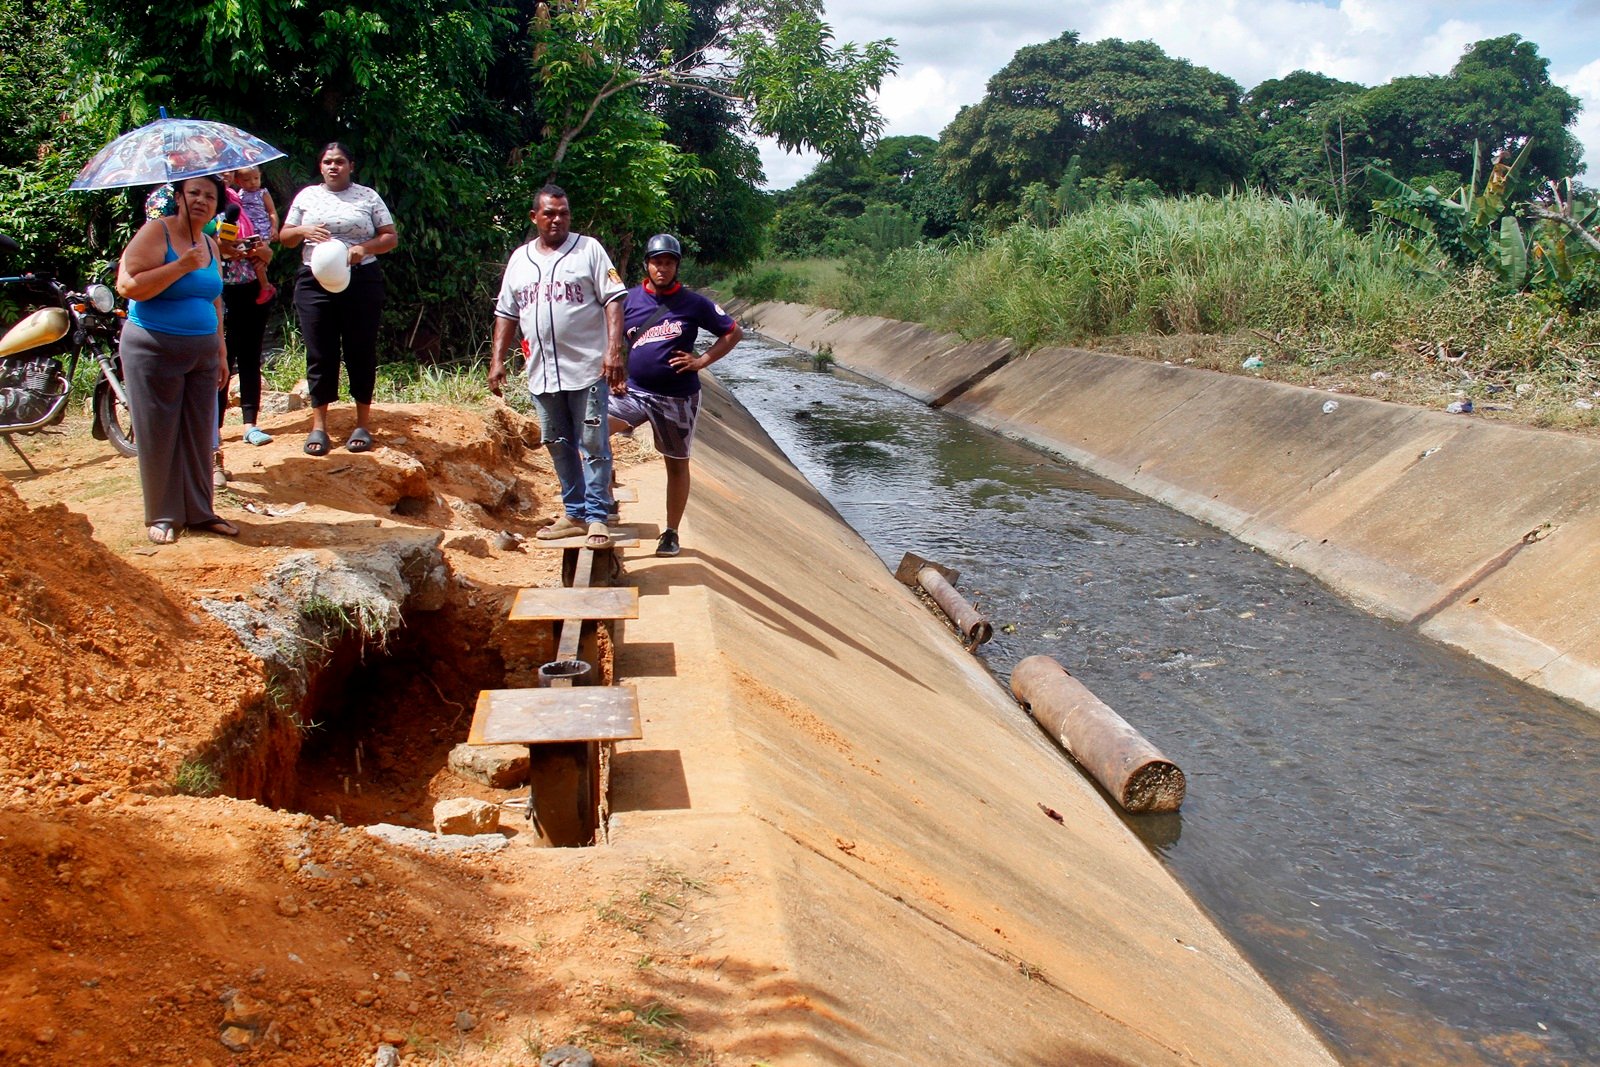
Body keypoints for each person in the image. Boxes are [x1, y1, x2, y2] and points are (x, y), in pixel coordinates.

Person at [488, 185, 626, 548]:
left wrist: (614, 351)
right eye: (549, 213)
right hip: (542, 372)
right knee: (557, 442)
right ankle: (574, 513)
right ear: (534, 217)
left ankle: (597, 517)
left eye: (563, 213)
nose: (557, 219)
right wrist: (497, 360)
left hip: (587, 369)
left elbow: (614, 300)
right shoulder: (520, 259)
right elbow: (506, 312)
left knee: (594, 442)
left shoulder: (589, 250)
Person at [115, 173, 240, 545]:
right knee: (159, 432)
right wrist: (181, 266)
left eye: (210, 196)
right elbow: (128, 285)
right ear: (179, 197)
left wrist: (220, 349)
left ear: (218, 206)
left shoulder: (210, 244)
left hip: (202, 351)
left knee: (200, 433)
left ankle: (201, 512)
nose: (201, 200)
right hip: (153, 348)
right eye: (194, 193)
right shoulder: (158, 232)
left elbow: (214, 299)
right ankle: (164, 515)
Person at [609, 233, 742, 557]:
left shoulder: (694, 303)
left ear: (676, 266)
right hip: (635, 393)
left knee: (676, 464)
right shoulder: (628, 300)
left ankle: (671, 532)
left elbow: (733, 332)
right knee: (592, 431)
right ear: (647, 264)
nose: (662, 268)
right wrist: (616, 371)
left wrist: (701, 361)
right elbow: (612, 337)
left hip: (677, 398)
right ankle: (603, 500)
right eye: (657, 262)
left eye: (669, 263)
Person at [278, 142, 398, 456]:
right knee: (320, 351)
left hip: (360, 280)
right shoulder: (307, 197)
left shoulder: (368, 196)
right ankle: (319, 427)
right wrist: (303, 229)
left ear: (351, 166)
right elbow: (285, 237)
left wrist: (364, 249)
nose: (334, 166)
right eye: (328, 161)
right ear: (321, 167)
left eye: (340, 161)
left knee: (360, 350)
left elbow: (390, 236)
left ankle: (362, 424)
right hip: (313, 281)